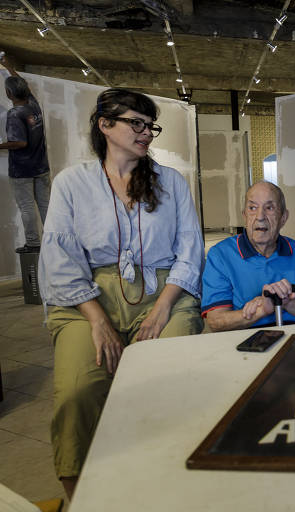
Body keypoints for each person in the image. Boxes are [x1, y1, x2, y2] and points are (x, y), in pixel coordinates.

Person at [39, 88, 204, 497]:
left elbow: (190, 250)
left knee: (174, 379)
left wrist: (164, 308)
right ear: (105, 125)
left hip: (165, 293)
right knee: (78, 391)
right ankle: (78, 496)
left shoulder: (172, 182)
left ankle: (167, 481)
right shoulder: (71, 183)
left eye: (150, 125)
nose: (146, 132)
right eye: (136, 122)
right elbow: (60, 259)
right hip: (87, 299)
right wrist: (98, 321)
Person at [202, 181, 295, 330]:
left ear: (283, 217)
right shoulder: (221, 255)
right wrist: (261, 310)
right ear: (244, 216)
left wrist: (287, 303)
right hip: (244, 342)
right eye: (252, 208)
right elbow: (215, 321)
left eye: (269, 208)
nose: (260, 216)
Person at [0, 52, 51, 253]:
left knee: (27, 207)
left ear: (8, 94)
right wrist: (7, 65)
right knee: (46, 206)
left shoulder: (15, 114)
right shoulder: (33, 104)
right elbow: (24, 85)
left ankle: (33, 243)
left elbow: (19, 143)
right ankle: (52, 240)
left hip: (22, 170)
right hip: (41, 166)